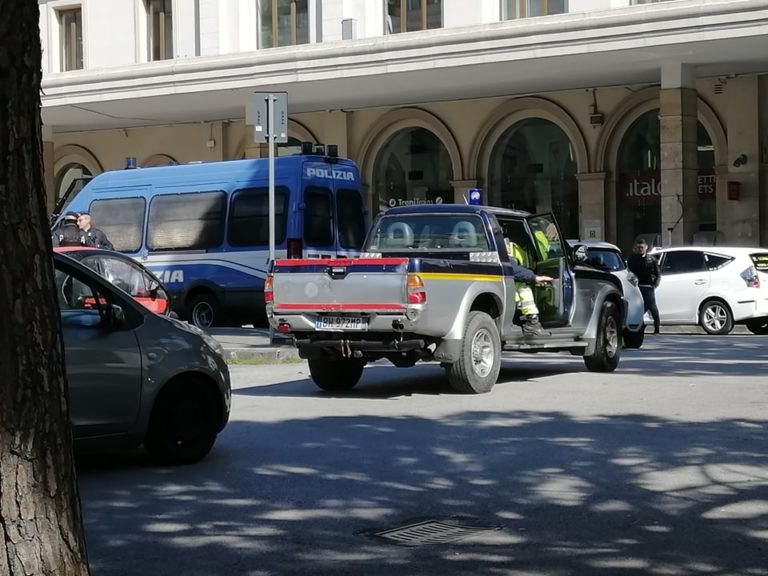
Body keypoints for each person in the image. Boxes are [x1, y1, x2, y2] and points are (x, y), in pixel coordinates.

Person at [505, 238, 554, 337]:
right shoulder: (509, 246)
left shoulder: (511, 246)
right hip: (509, 289)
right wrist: (533, 277)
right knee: (524, 287)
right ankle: (532, 321)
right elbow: (510, 269)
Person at [627, 238, 661, 334]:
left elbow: (658, 273)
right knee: (638, 307)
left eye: (642, 247)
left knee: (652, 306)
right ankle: (639, 325)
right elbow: (628, 272)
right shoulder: (632, 259)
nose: (640, 249)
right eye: (638, 247)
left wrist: (656, 283)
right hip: (636, 287)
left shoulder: (652, 259)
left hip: (648, 286)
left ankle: (657, 327)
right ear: (635, 248)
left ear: (646, 247)